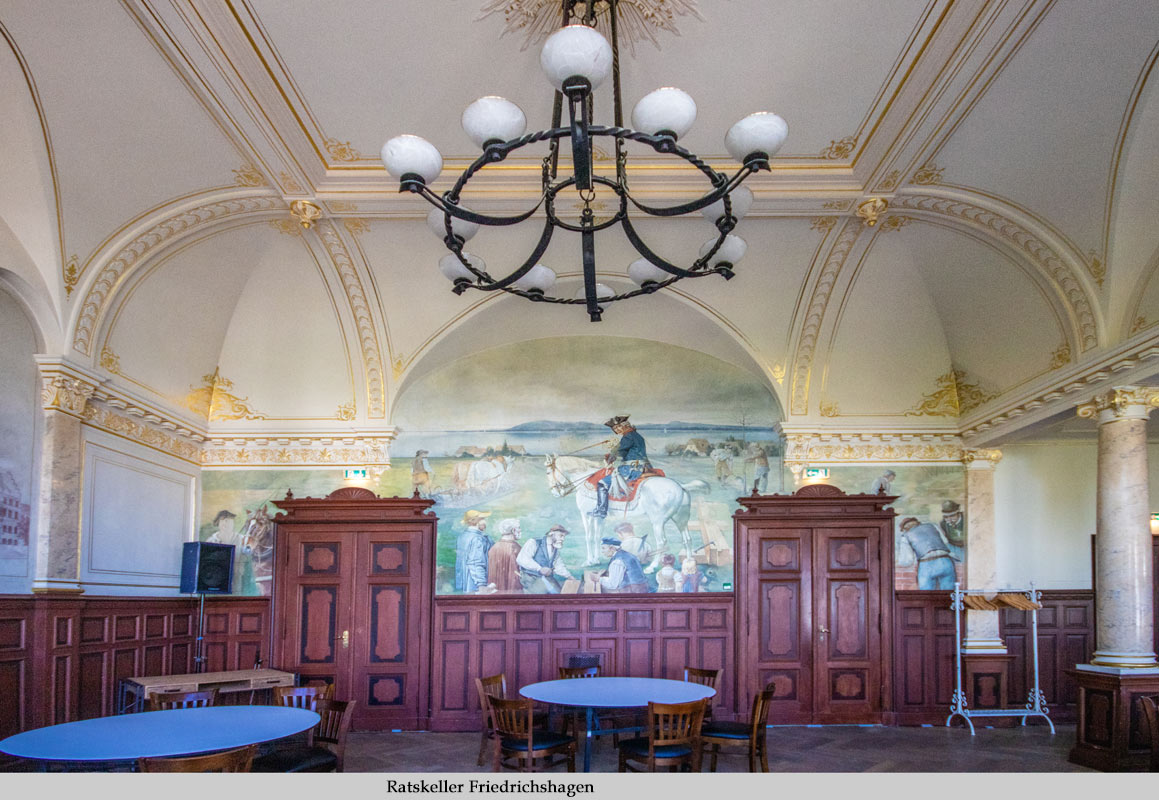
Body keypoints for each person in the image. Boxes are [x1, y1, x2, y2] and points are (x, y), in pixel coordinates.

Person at [591, 416, 651, 519]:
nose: (617, 430)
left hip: (630, 469)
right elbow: (625, 451)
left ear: (625, 425)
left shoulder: (628, 436)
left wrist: (610, 457)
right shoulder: (637, 435)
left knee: (601, 483)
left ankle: (601, 511)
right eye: (615, 428)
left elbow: (619, 451)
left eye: (618, 427)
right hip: (642, 467)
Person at [898, 516, 959, 590]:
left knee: (925, 593)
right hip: (946, 561)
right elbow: (945, 541)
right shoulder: (932, 526)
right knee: (949, 593)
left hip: (926, 564)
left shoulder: (906, 535)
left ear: (905, 528)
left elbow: (907, 561)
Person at [516, 524, 576, 593]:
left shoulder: (555, 549)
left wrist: (569, 576)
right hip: (530, 578)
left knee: (558, 592)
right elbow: (522, 559)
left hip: (546, 578)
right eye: (561, 536)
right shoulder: (534, 542)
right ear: (551, 534)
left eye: (564, 536)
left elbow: (558, 566)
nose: (563, 539)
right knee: (545, 593)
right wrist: (539, 568)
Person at [454, 509, 492, 594]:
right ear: (475, 521)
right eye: (482, 519)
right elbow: (476, 562)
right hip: (474, 584)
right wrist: (481, 584)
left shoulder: (462, 536)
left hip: (464, 582)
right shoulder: (477, 538)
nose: (485, 522)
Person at [487, 517, 523, 593]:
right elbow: (516, 575)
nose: (520, 530)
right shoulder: (515, 548)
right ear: (513, 530)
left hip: (495, 593)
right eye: (519, 528)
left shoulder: (494, 547)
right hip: (512, 593)